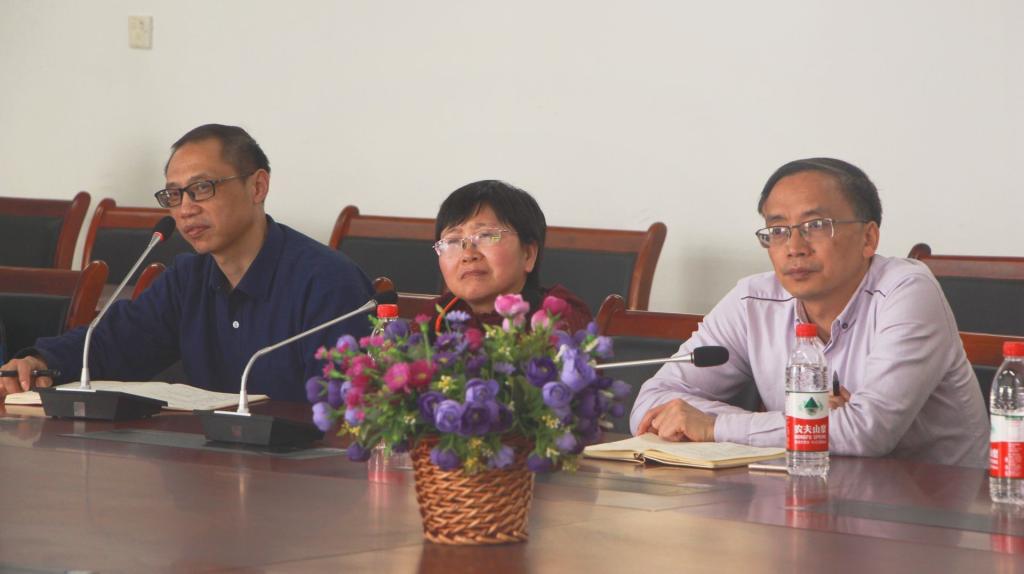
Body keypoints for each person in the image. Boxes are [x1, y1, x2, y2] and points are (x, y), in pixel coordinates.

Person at [632, 158, 988, 468]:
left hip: (940, 509)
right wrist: (809, 421)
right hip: (813, 496)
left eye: (816, 226)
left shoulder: (907, 289)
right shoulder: (753, 300)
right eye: (777, 230)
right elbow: (652, 401)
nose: (794, 247)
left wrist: (713, 426)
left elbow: (867, 431)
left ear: (868, 239)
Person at [0, 124, 373, 402]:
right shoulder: (187, 279)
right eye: (174, 195)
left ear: (257, 187)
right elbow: (115, 343)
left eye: (202, 188)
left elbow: (344, 412)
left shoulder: (327, 283)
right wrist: (41, 362)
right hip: (203, 469)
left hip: (298, 474)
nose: (185, 209)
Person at [430, 180, 591, 333]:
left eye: (486, 235)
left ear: (528, 254)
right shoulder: (438, 316)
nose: (468, 254)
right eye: (452, 241)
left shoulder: (557, 317)